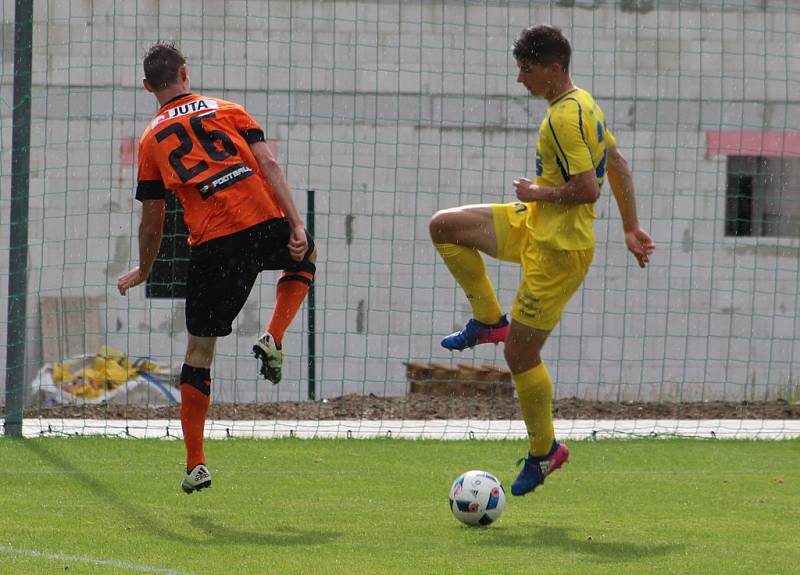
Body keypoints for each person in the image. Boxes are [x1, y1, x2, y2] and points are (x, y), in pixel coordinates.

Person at [429, 25, 654, 496]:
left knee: (521, 354)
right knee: (444, 227)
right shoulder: (582, 103)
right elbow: (618, 163)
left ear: (554, 69)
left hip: (559, 251)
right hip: (533, 224)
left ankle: (545, 451)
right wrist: (631, 227)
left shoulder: (565, 118)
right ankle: (489, 320)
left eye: (526, 70)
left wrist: (538, 192)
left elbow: (586, 189)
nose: (519, 79)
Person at [117, 42, 316, 494]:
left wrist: (145, 269)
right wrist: (296, 223)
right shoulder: (229, 109)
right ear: (185, 73)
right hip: (263, 220)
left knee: (199, 354)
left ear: (149, 86)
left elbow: (153, 219)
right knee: (308, 256)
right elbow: (268, 163)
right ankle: (274, 335)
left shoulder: (151, 140)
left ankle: (196, 464)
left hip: (214, 244)